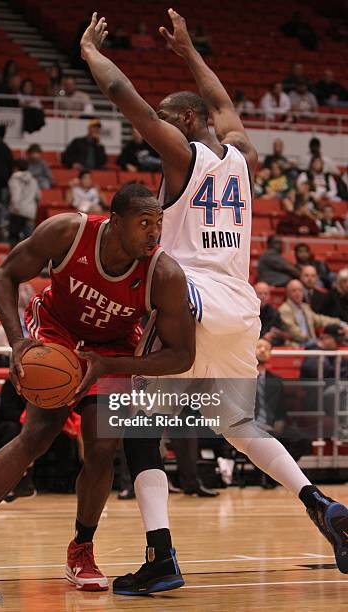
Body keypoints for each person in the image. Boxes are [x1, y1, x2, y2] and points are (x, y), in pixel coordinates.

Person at [80, 9, 348, 594]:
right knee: (238, 424)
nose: (167, 129)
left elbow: (129, 100)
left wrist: (92, 55)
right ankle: (321, 502)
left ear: (186, 122)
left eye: (175, 120)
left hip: (191, 297)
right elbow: (224, 104)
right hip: (238, 305)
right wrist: (189, 51)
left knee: (135, 423)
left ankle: (162, 556)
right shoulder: (241, 159)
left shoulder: (184, 155)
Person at [0, 182, 196, 589]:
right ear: (114, 222)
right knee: (38, 433)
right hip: (56, 333)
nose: (154, 232)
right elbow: (4, 274)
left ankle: (81, 550)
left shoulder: (163, 274)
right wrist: (19, 341)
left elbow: (182, 355)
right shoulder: (68, 232)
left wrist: (110, 364)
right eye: (144, 222)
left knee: (101, 447)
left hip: (111, 350)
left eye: (158, 223)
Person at [255, 338, 311, 484]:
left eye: (266, 348)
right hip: (251, 426)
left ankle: (272, 474)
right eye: (259, 346)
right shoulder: (241, 377)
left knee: (303, 440)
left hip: (272, 425)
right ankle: (271, 475)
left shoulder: (276, 380)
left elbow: (281, 408)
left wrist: (280, 421)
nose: (262, 350)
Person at [279, 280, 344, 346]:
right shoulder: (284, 309)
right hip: (296, 345)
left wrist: (341, 323)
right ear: (288, 293)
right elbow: (293, 331)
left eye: (300, 290)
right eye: (294, 291)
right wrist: (315, 341)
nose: (297, 293)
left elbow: (320, 319)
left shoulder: (305, 307)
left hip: (312, 345)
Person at [8, 159, 40, 246]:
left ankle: (14, 258)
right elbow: (38, 196)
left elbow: (16, 194)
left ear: (16, 168)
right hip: (30, 212)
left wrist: (15, 206)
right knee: (28, 240)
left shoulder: (14, 178)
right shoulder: (33, 180)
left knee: (13, 238)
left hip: (17, 211)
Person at [254, 281, 289, 345]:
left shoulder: (274, 314)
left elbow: (283, 336)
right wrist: (263, 337)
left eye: (266, 294)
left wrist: (273, 336)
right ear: (253, 295)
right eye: (260, 293)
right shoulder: (248, 313)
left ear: (269, 296)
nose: (263, 296)